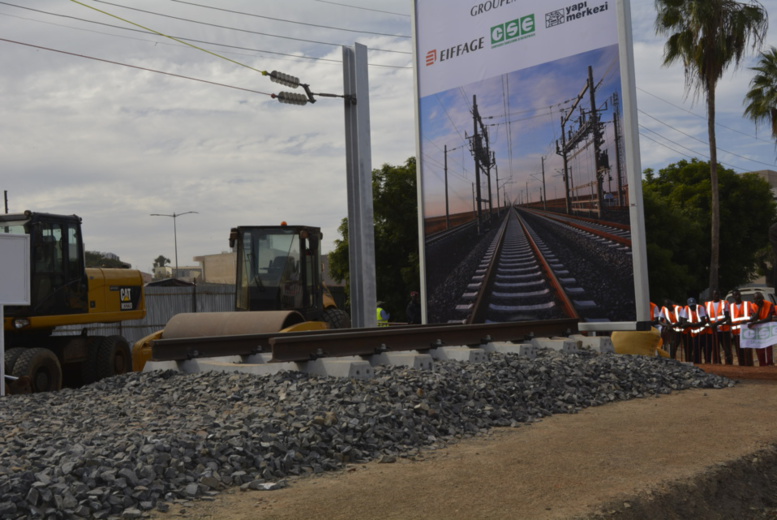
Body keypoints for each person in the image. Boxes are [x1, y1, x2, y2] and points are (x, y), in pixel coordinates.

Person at [747, 291, 775, 366]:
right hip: (758, 330)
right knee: (759, 346)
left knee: (768, 346)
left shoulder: (769, 304)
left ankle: (770, 363)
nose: (757, 301)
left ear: (762, 298)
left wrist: (755, 323)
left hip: (768, 329)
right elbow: (754, 318)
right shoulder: (753, 306)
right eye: (755, 299)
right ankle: (762, 364)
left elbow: (769, 318)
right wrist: (759, 308)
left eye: (758, 299)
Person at [679, 297, 709, 364]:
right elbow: (684, 322)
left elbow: (703, 321)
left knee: (706, 349)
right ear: (688, 305)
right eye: (691, 306)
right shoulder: (686, 308)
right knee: (695, 350)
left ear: (696, 304)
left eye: (694, 305)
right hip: (693, 333)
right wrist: (695, 325)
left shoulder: (700, 307)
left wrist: (690, 324)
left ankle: (707, 363)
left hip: (703, 332)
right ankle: (697, 363)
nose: (693, 307)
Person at [729, 289, 755, 366]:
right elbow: (729, 319)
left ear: (740, 295)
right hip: (736, 333)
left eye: (738, 294)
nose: (737, 296)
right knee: (739, 351)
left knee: (748, 351)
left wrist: (748, 321)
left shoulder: (748, 304)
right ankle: (742, 366)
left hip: (746, 332)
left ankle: (750, 365)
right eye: (735, 295)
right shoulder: (731, 306)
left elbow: (753, 315)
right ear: (733, 296)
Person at [705, 290, 730, 364]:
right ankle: (717, 363)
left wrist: (716, 324)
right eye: (715, 294)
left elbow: (726, 316)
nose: (716, 295)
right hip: (713, 331)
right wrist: (710, 324)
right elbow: (707, 317)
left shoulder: (724, 303)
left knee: (727, 349)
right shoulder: (708, 304)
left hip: (724, 330)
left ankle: (729, 363)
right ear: (712, 295)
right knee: (715, 349)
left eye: (718, 294)